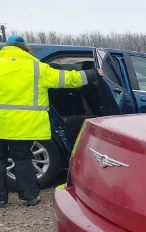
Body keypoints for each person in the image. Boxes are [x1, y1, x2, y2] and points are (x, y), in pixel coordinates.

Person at [0, 35, 99, 207]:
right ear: (25, 49)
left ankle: (1, 198)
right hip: (24, 124)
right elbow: (68, 79)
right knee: (22, 158)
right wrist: (93, 74)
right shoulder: (37, 68)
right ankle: (30, 196)